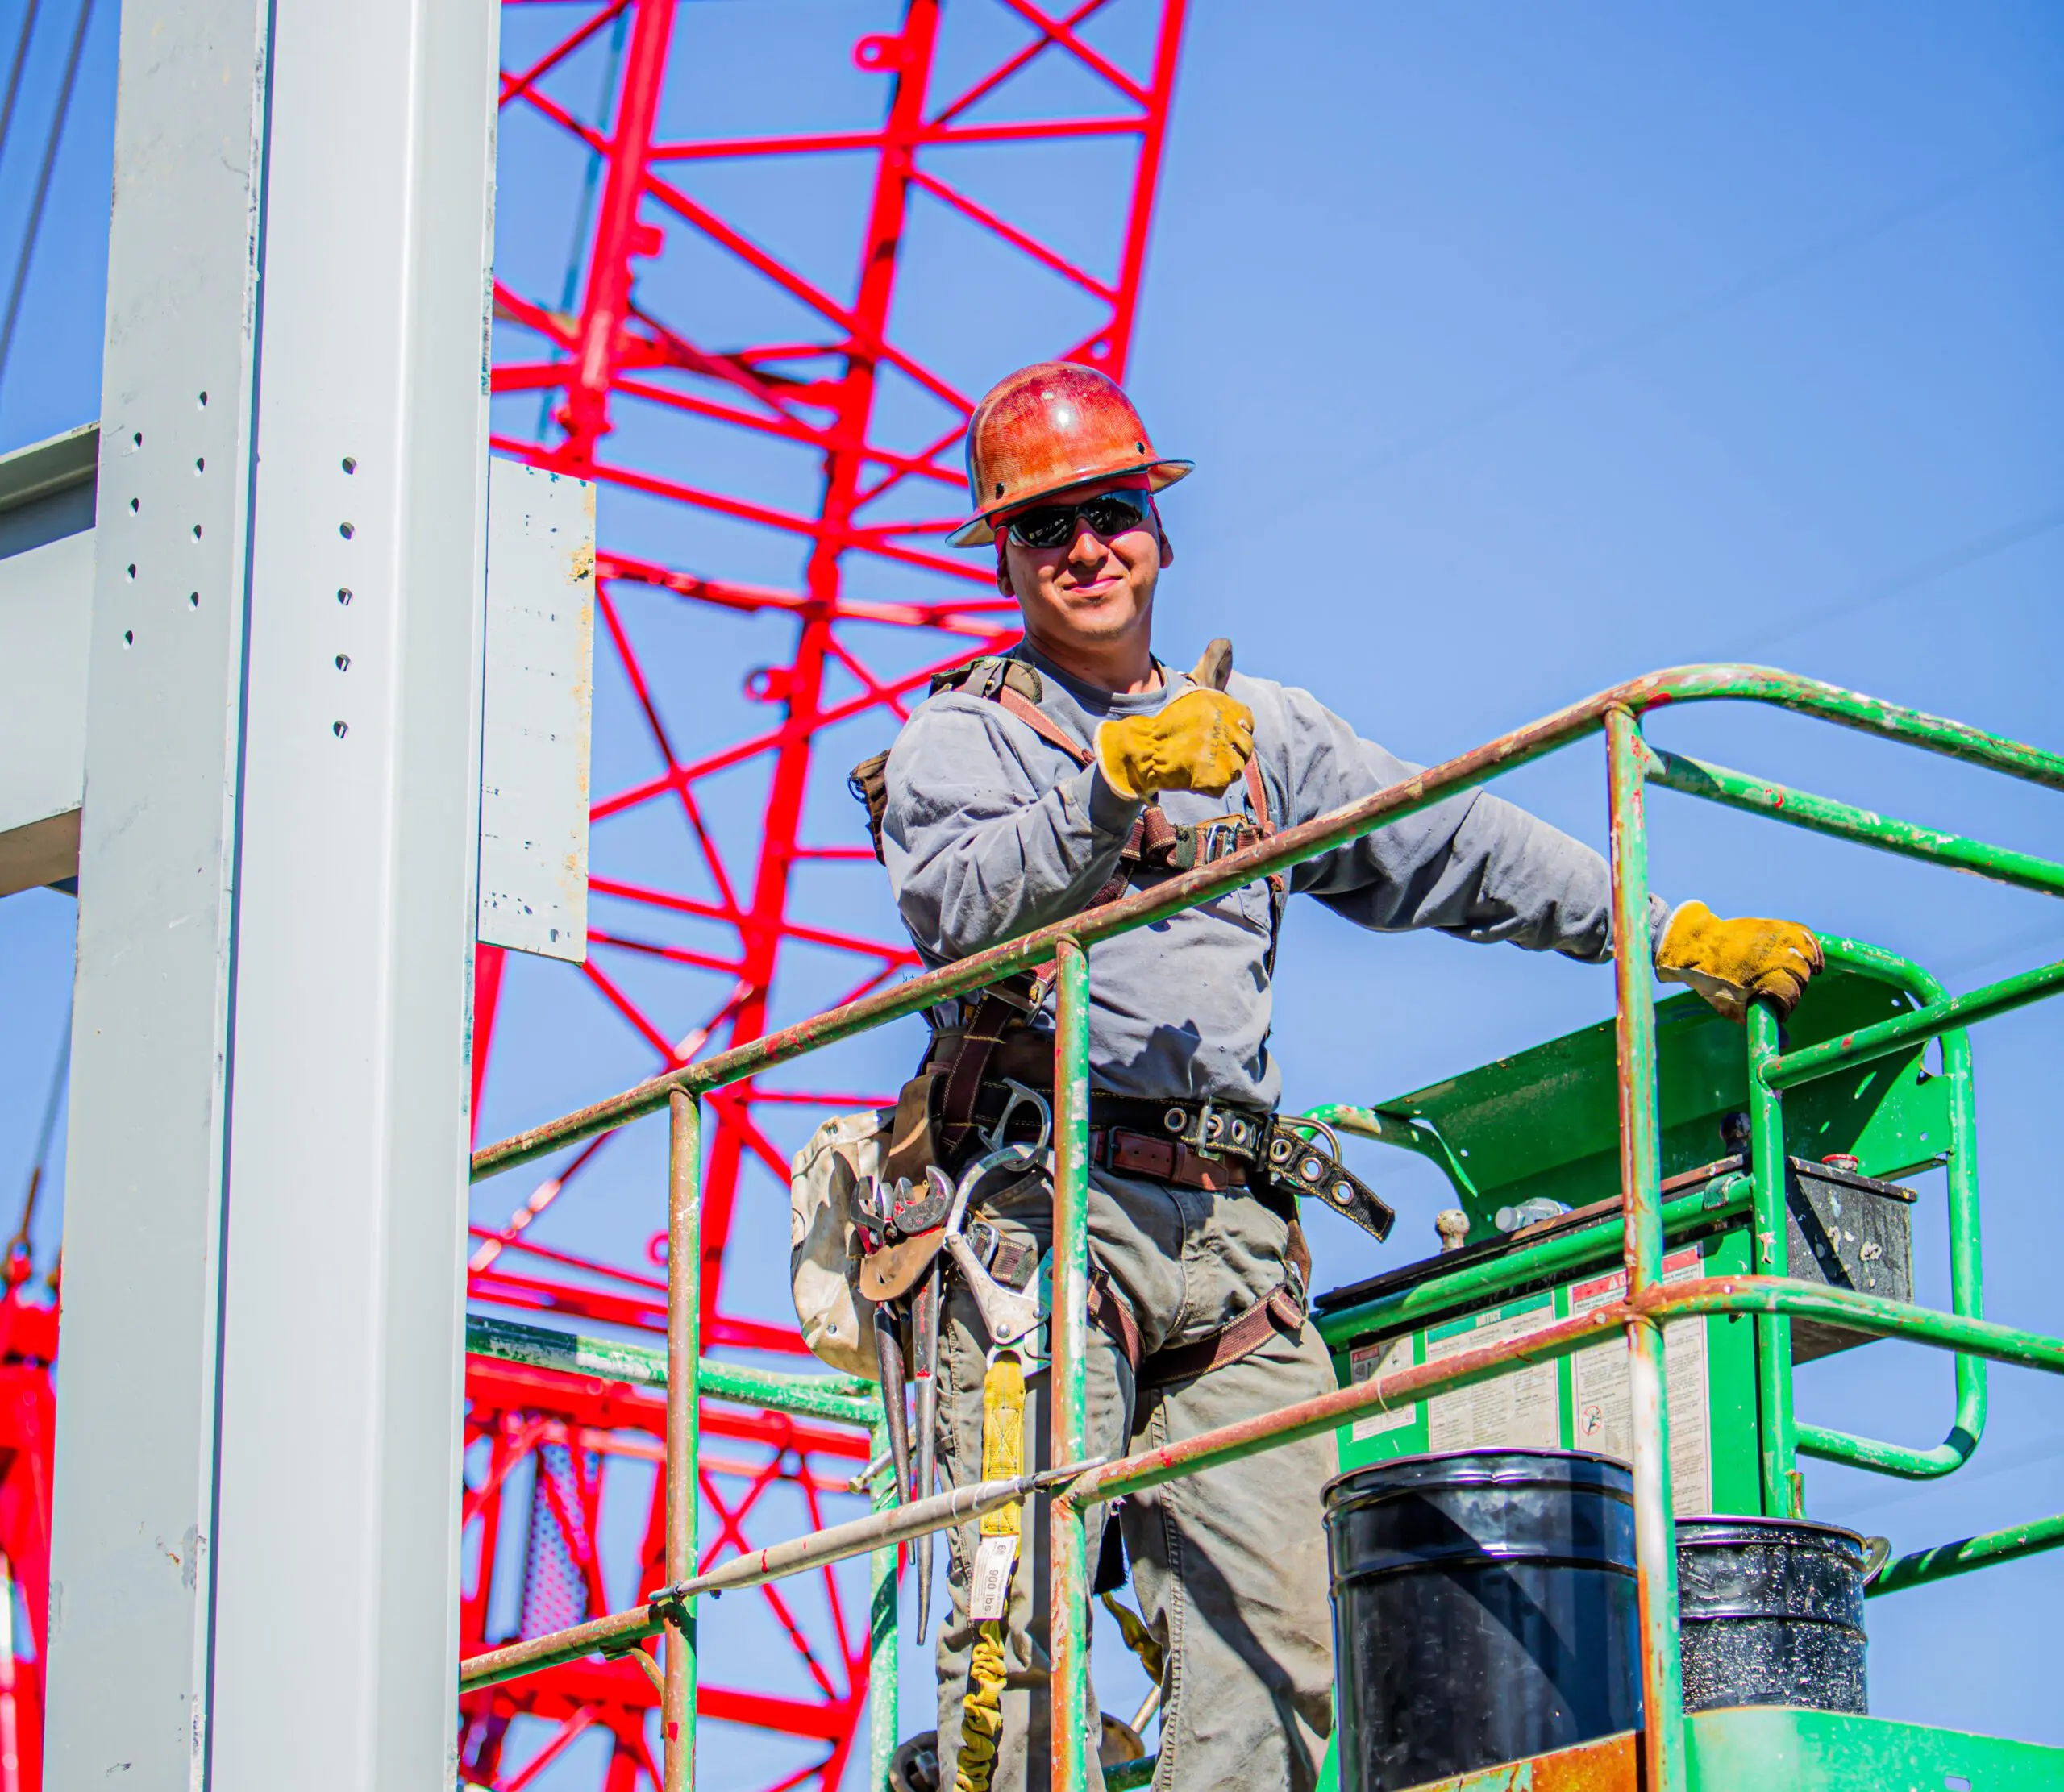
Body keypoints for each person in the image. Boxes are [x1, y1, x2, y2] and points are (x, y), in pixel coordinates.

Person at [873, 361, 1821, 1792]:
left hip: (1237, 1239)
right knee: (1014, 1641)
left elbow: (1448, 841)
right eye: (1046, 527)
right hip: (1048, 1221)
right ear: (1003, 554)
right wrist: (1110, 786)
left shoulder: (1261, 733)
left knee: (1279, 1658)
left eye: (1112, 512)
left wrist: (1658, 928)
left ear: (1161, 532)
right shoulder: (966, 739)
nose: (1086, 550)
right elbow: (957, 911)